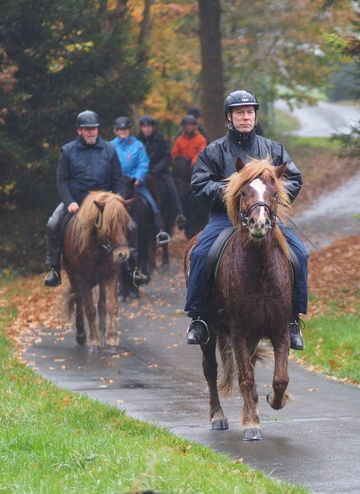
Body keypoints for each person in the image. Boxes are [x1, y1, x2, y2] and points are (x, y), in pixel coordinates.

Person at [184, 89, 309, 350]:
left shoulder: (273, 149)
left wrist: (271, 200)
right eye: (240, 113)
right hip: (225, 218)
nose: (245, 117)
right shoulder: (213, 150)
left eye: (250, 112)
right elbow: (199, 184)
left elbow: (294, 179)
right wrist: (231, 195)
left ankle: (293, 320)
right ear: (229, 117)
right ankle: (198, 317)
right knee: (200, 254)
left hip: (265, 216)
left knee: (300, 254)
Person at [44, 110, 148, 287]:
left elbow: (117, 179)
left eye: (94, 128)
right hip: (77, 202)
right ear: (79, 131)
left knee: (132, 226)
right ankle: (54, 269)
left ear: (98, 130)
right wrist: (69, 202)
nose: (91, 132)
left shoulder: (109, 149)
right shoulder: (68, 151)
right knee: (52, 224)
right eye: (87, 129)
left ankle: (134, 269)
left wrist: (118, 202)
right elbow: (62, 180)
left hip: (105, 204)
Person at [111, 117, 171, 246]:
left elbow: (143, 162)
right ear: (116, 131)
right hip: (118, 185)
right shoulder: (111, 146)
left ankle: (160, 232)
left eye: (126, 129)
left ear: (130, 130)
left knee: (152, 203)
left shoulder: (138, 145)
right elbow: (108, 165)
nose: (123, 131)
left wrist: (138, 177)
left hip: (135, 183)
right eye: (121, 129)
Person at [136, 114, 187, 229]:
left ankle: (179, 215)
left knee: (170, 187)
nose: (147, 128)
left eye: (149, 126)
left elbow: (166, 157)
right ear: (141, 128)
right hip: (141, 174)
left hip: (159, 173)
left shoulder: (160, 139)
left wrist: (156, 169)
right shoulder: (136, 141)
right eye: (144, 126)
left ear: (153, 127)